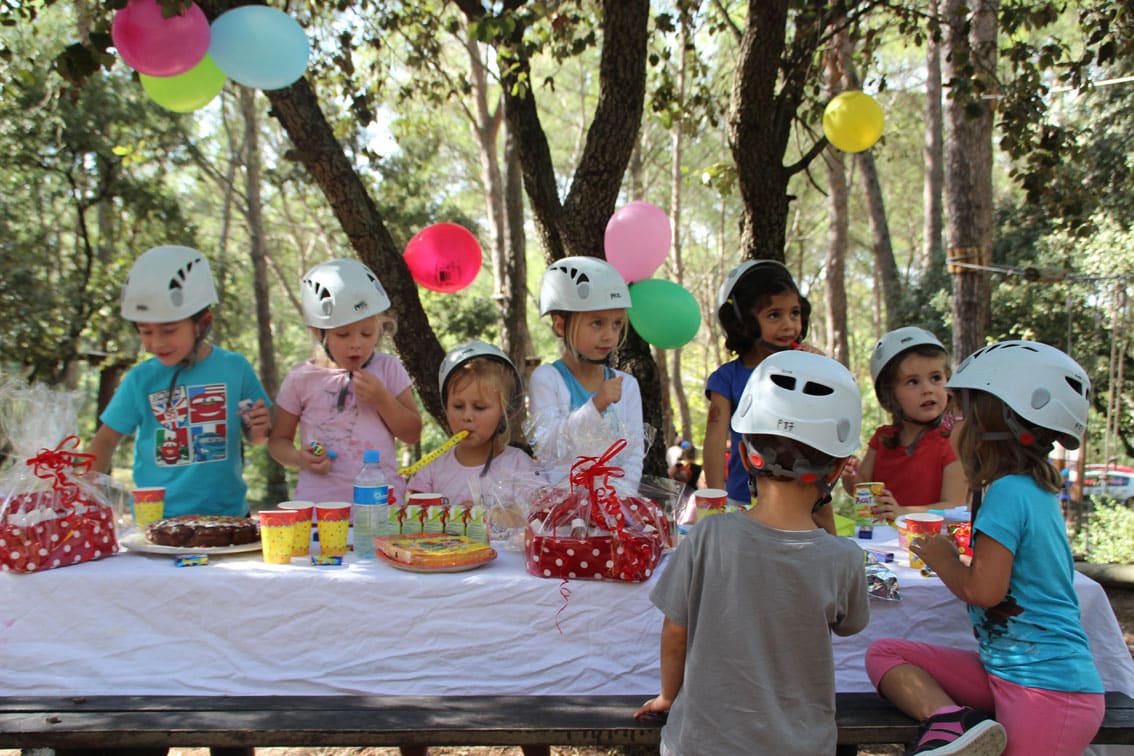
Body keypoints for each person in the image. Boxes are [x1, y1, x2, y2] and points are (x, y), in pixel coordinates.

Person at [865, 340, 1103, 756]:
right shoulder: (1025, 488)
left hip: (1046, 690)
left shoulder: (1009, 493)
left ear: (994, 425)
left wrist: (943, 559)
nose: (949, 424)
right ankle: (951, 721)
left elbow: (984, 591)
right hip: (1005, 672)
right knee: (887, 654)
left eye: (958, 415)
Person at [635, 350, 870, 755]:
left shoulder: (710, 535)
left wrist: (668, 698)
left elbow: (676, 631)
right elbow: (849, 625)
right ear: (836, 470)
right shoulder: (843, 558)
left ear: (744, 455)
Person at [89, 245, 271, 518]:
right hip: (157, 520)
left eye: (169, 330)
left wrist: (259, 429)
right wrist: (86, 493)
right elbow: (104, 441)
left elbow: (258, 438)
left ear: (203, 322)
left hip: (227, 517)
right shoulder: (141, 378)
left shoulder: (235, 368)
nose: (156, 342)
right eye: (146, 331)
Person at [269, 259, 421, 503]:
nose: (356, 343)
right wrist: (299, 458)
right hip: (321, 511)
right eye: (343, 334)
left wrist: (383, 400)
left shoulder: (388, 368)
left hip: (382, 508)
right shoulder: (301, 378)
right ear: (318, 332)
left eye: (367, 333)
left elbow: (412, 433)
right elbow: (278, 441)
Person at [702, 259, 836, 532]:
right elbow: (715, 439)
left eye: (795, 313)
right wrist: (717, 498)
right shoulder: (727, 378)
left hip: (805, 499)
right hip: (744, 499)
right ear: (743, 323)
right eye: (774, 315)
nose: (789, 325)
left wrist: (823, 373)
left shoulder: (806, 368)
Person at [527, 256, 643, 491]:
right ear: (561, 325)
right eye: (597, 323)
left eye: (617, 324)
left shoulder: (627, 385)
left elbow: (633, 455)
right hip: (564, 515)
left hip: (614, 511)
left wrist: (618, 499)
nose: (610, 335)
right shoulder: (547, 379)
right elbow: (548, 448)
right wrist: (595, 406)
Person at [843, 326, 967, 520]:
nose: (927, 389)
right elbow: (862, 490)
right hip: (885, 541)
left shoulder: (952, 440)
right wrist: (851, 478)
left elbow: (955, 506)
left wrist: (903, 512)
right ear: (888, 395)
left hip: (933, 544)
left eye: (936, 378)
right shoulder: (883, 439)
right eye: (912, 382)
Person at [407, 340, 537, 506]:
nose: (467, 416)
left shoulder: (520, 466)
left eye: (479, 407)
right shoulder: (431, 470)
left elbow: (539, 519)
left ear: (505, 413)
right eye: (458, 406)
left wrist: (488, 516)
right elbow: (414, 521)